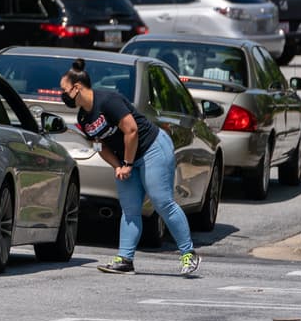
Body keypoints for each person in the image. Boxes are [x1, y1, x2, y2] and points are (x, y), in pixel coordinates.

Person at [61, 58, 201, 276]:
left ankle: (188, 254)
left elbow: (132, 130)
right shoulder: (84, 117)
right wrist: (118, 166)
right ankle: (125, 259)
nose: (61, 95)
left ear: (76, 88)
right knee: (129, 209)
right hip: (125, 158)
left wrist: (127, 163)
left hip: (151, 148)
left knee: (161, 201)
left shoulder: (108, 100)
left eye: (64, 90)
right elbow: (101, 146)